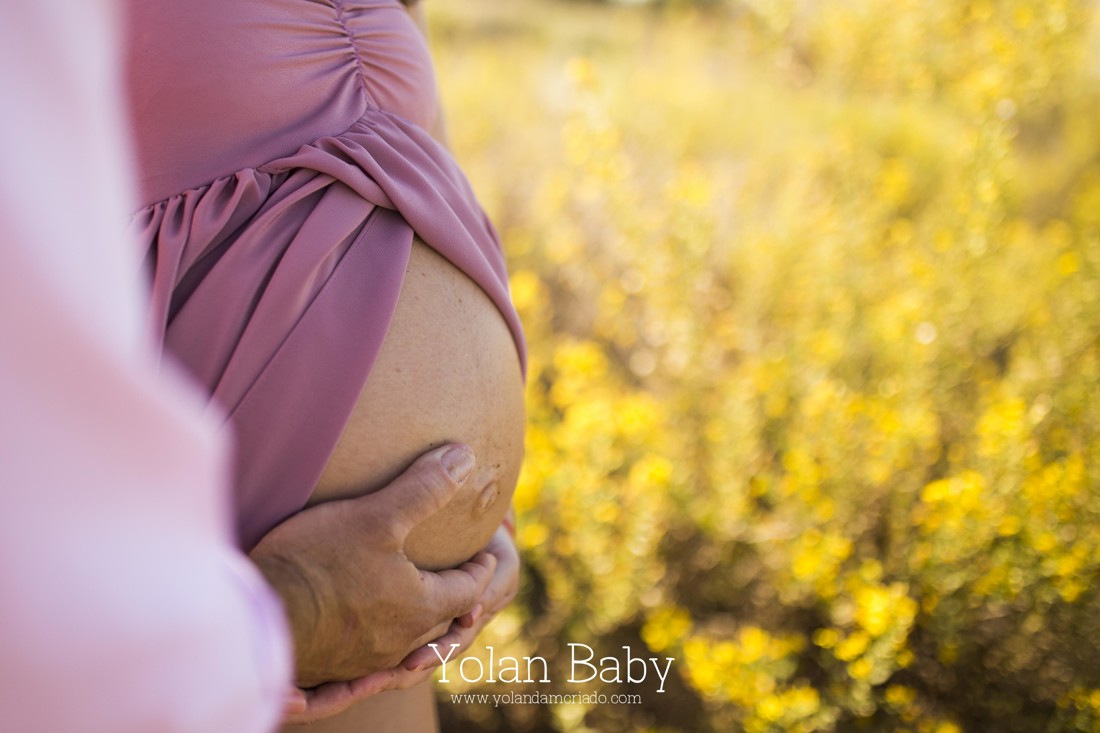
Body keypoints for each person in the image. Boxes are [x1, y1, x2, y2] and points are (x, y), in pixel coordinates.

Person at [1, 2, 511, 732]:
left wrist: (486, 510)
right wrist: (295, 604)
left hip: (383, 608)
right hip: (226, 594)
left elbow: (435, 167)